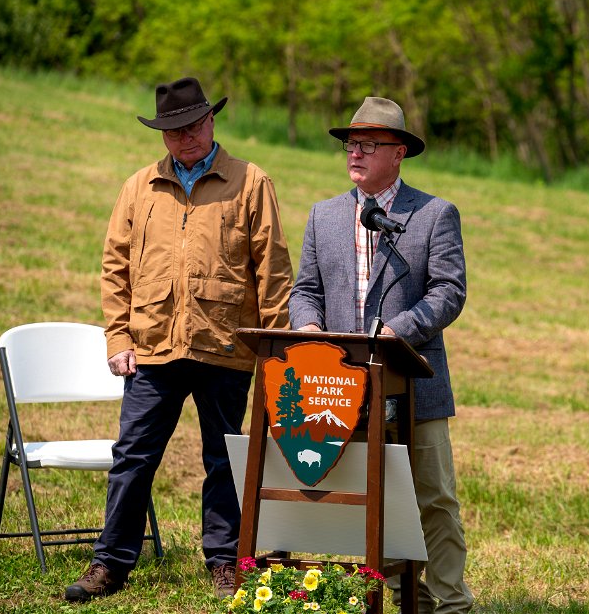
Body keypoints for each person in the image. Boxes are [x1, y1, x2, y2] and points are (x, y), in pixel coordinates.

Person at [64, 77, 293, 602]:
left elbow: (273, 271)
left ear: (212, 121)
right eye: (172, 131)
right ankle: (110, 564)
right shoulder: (138, 187)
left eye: (192, 126)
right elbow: (114, 268)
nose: (184, 138)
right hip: (152, 347)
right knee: (133, 457)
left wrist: (274, 348)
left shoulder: (250, 181)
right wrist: (118, 337)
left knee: (223, 459)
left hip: (227, 347)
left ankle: (225, 562)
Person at [288, 96, 474, 614]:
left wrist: (400, 328)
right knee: (372, 498)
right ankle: (401, 594)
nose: (356, 153)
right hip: (340, 385)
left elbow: (448, 292)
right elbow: (305, 288)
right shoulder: (323, 215)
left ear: (399, 154)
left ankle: (452, 602)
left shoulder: (434, 214)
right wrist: (306, 326)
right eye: (352, 144)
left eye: (369, 145)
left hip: (415, 381)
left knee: (433, 498)